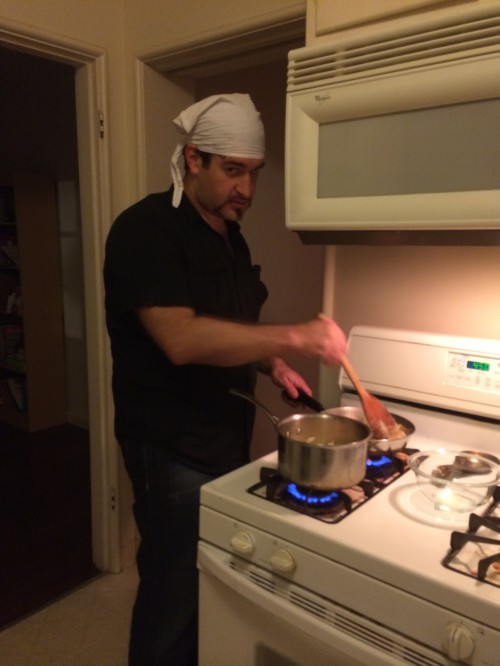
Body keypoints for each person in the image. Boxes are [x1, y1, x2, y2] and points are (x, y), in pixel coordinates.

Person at [103, 93, 347, 666]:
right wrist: (297, 336)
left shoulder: (229, 235)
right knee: (172, 589)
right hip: (168, 442)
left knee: (204, 580)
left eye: (254, 174)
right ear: (193, 159)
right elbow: (182, 338)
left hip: (220, 434)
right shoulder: (146, 230)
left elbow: (231, 325)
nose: (247, 189)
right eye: (233, 171)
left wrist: (270, 363)